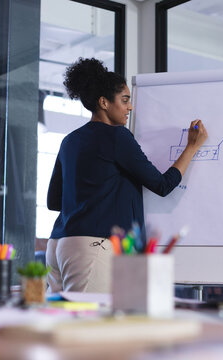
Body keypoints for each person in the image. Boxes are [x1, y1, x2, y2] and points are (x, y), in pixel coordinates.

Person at [46, 58, 208, 293]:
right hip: (94, 247)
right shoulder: (117, 136)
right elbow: (162, 185)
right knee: (91, 323)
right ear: (104, 102)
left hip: (58, 245)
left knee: (63, 322)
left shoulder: (69, 141)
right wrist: (192, 147)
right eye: (124, 100)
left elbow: (53, 202)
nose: (130, 107)